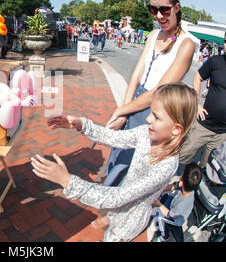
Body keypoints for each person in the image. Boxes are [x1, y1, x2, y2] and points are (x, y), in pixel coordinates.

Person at [32, 83, 198, 242]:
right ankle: (109, 220)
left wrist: (67, 181)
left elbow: (117, 198)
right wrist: (81, 125)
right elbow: (113, 137)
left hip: (130, 220)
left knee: (113, 237)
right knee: (111, 222)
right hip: (118, 206)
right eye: (150, 112)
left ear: (176, 129)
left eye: (156, 116)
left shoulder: (166, 166)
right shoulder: (145, 134)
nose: (148, 119)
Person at [103, 0, 195, 187]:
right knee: (118, 153)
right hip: (134, 102)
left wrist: (122, 111)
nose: (159, 15)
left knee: (131, 168)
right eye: (153, 9)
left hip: (154, 112)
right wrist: (124, 111)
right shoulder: (153, 35)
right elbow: (136, 75)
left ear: (177, 8)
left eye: (164, 9)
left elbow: (158, 92)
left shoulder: (186, 44)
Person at [178, 29, 226, 169]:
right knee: (182, 157)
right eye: (225, 41)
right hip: (203, 125)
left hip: (221, 133)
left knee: (208, 166)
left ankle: (194, 187)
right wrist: (197, 104)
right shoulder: (216, 62)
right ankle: (167, 185)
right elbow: (198, 77)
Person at [151, 162, 202, 242]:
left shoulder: (182, 204)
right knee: (166, 198)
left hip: (175, 218)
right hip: (174, 206)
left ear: (182, 180)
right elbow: (175, 186)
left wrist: (158, 204)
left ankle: (165, 236)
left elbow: (169, 214)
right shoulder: (189, 188)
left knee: (159, 216)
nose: (181, 175)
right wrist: (161, 190)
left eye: (183, 172)